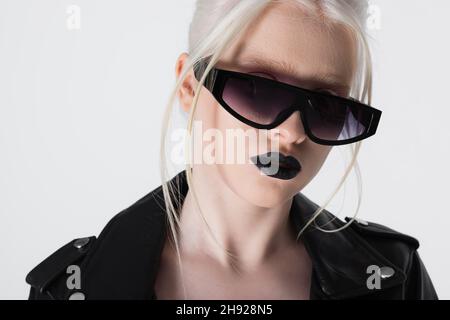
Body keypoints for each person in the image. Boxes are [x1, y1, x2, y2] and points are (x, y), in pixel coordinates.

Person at [25, 0, 438, 300]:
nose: (292, 132)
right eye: (258, 89)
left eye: (327, 106)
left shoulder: (394, 278)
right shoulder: (74, 288)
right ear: (189, 87)